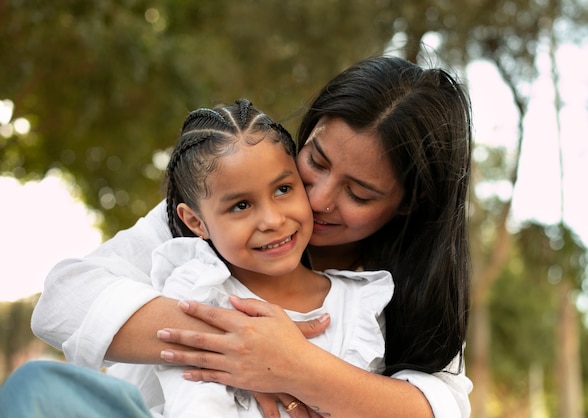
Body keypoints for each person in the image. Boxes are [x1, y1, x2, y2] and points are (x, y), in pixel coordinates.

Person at [28, 55, 473, 418]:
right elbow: (63, 301)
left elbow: (441, 405)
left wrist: (297, 367)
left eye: (357, 193)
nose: (316, 200)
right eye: (315, 162)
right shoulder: (208, 226)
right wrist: (241, 342)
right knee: (38, 389)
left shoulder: (404, 289)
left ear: (408, 203)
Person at [107, 99, 393, 417]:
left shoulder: (363, 301)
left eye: (283, 189)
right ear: (196, 222)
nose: (272, 220)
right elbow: (195, 404)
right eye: (241, 205)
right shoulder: (201, 294)